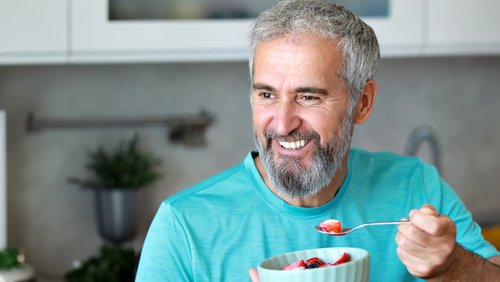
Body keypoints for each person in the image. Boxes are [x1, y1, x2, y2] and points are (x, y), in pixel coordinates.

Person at [135, 0, 500, 281]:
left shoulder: (415, 188)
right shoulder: (184, 225)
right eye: (266, 95)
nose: (282, 123)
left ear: (363, 103)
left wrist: (453, 266)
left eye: (308, 97)